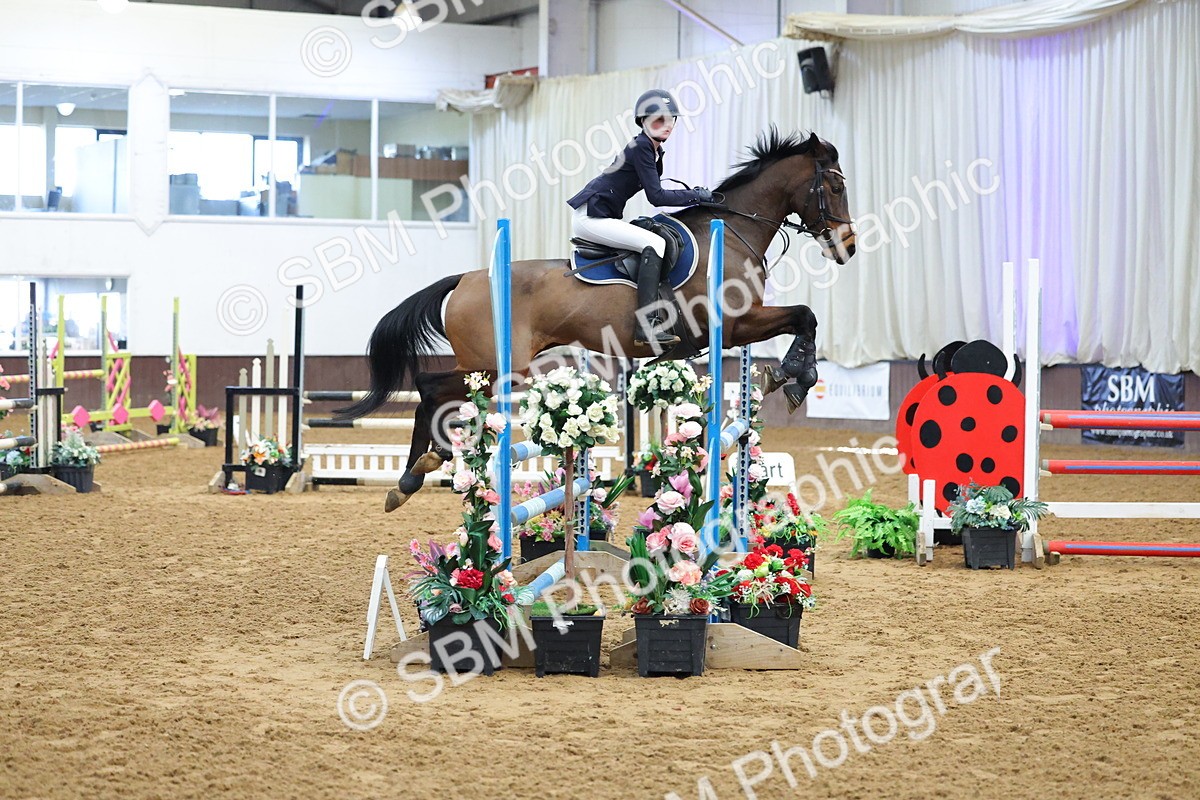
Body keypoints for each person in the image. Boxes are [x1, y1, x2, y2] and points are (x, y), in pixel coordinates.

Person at [567, 89, 713, 348]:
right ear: (643, 122)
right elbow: (656, 196)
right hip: (591, 216)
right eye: (659, 120)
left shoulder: (653, 149)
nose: (667, 125)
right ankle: (646, 326)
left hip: (602, 215)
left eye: (671, 120)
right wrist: (695, 196)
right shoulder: (642, 146)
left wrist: (694, 197)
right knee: (655, 244)